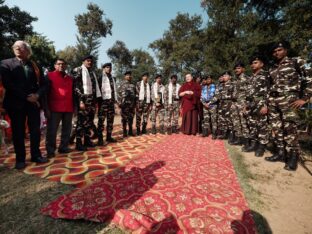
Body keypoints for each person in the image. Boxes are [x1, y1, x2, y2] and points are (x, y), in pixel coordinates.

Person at [0, 40, 48, 169]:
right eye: (15, 46)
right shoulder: (5, 64)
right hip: (16, 103)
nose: (16, 48)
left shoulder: (35, 65)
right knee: (18, 132)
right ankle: (20, 159)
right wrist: (28, 97)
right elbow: (8, 84)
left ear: (27, 50)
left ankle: (36, 155)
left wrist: (37, 95)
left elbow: (43, 84)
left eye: (20, 46)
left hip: (33, 103)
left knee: (35, 130)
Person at [264, 41, 312, 171]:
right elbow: (268, 86)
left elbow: (309, 78)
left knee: (290, 128)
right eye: (274, 51)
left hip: (289, 99)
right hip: (273, 100)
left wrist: (305, 98)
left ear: (285, 50)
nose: (276, 53)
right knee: (276, 127)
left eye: (279, 50)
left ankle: (293, 157)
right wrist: (267, 102)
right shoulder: (272, 67)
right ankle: (280, 153)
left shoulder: (296, 62)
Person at [45, 59, 74, 158]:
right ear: (55, 66)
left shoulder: (70, 78)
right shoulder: (49, 76)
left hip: (68, 107)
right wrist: (46, 108)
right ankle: (50, 150)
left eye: (63, 64)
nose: (61, 65)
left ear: (66, 66)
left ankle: (63, 147)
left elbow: (73, 93)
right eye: (59, 64)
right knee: (52, 130)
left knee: (67, 129)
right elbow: (45, 92)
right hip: (54, 108)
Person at [72, 55, 101, 151]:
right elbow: (76, 87)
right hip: (83, 100)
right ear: (83, 61)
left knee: (89, 121)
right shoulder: (78, 70)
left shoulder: (92, 73)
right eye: (88, 61)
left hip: (91, 101)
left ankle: (87, 140)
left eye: (91, 61)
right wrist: (80, 101)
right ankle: (79, 143)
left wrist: (95, 102)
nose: (89, 62)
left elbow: (95, 88)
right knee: (80, 122)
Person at [244, 55, 269, 157]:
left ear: (261, 64)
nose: (253, 65)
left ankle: (261, 146)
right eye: (252, 63)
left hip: (260, 104)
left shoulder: (265, 75)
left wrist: (266, 105)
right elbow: (248, 93)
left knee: (262, 126)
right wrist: (246, 105)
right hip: (251, 105)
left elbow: (269, 91)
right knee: (253, 125)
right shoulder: (251, 77)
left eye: (255, 63)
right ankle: (253, 144)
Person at [97, 62, 118, 145]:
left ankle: (109, 137)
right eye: (107, 67)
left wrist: (115, 102)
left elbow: (114, 91)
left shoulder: (113, 78)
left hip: (111, 102)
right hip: (103, 103)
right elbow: (98, 91)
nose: (109, 69)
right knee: (101, 121)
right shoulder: (100, 78)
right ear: (104, 68)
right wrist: (98, 103)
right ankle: (100, 139)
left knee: (110, 120)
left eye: (110, 67)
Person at [231, 62, 250, 147]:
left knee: (244, 122)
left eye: (238, 68)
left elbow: (249, 93)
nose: (236, 70)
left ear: (243, 69)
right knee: (236, 122)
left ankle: (246, 141)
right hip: (235, 103)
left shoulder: (247, 78)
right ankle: (239, 138)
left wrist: (247, 105)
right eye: (236, 68)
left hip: (243, 103)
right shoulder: (235, 79)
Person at [118, 71, 136, 138]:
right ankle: (124, 132)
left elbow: (135, 95)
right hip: (124, 105)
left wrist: (135, 104)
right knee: (124, 119)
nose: (129, 76)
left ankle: (130, 131)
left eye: (130, 75)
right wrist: (119, 103)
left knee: (131, 118)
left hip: (131, 105)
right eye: (127, 75)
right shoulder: (121, 84)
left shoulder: (133, 85)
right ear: (125, 76)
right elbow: (118, 94)